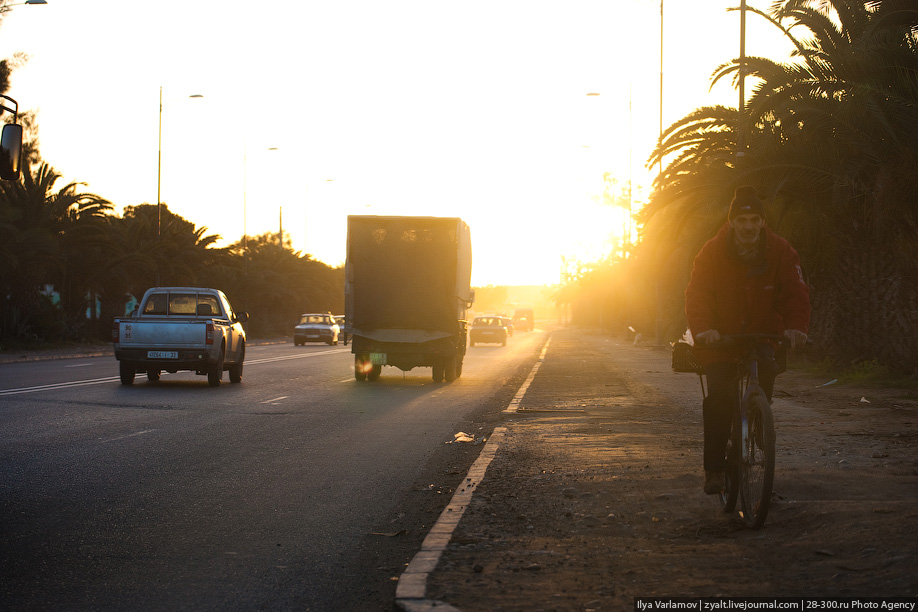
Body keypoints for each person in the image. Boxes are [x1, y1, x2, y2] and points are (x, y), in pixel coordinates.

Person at [684, 185, 810, 494]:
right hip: (720, 340)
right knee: (719, 399)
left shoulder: (781, 250)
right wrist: (703, 329)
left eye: (755, 220)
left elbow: (796, 292)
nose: (749, 226)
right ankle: (714, 469)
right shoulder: (711, 251)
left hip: (762, 335)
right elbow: (697, 294)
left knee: (767, 370)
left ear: (763, 222)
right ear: (732, 223)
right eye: (743, 220)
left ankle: (757, 422)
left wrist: (796, 327)